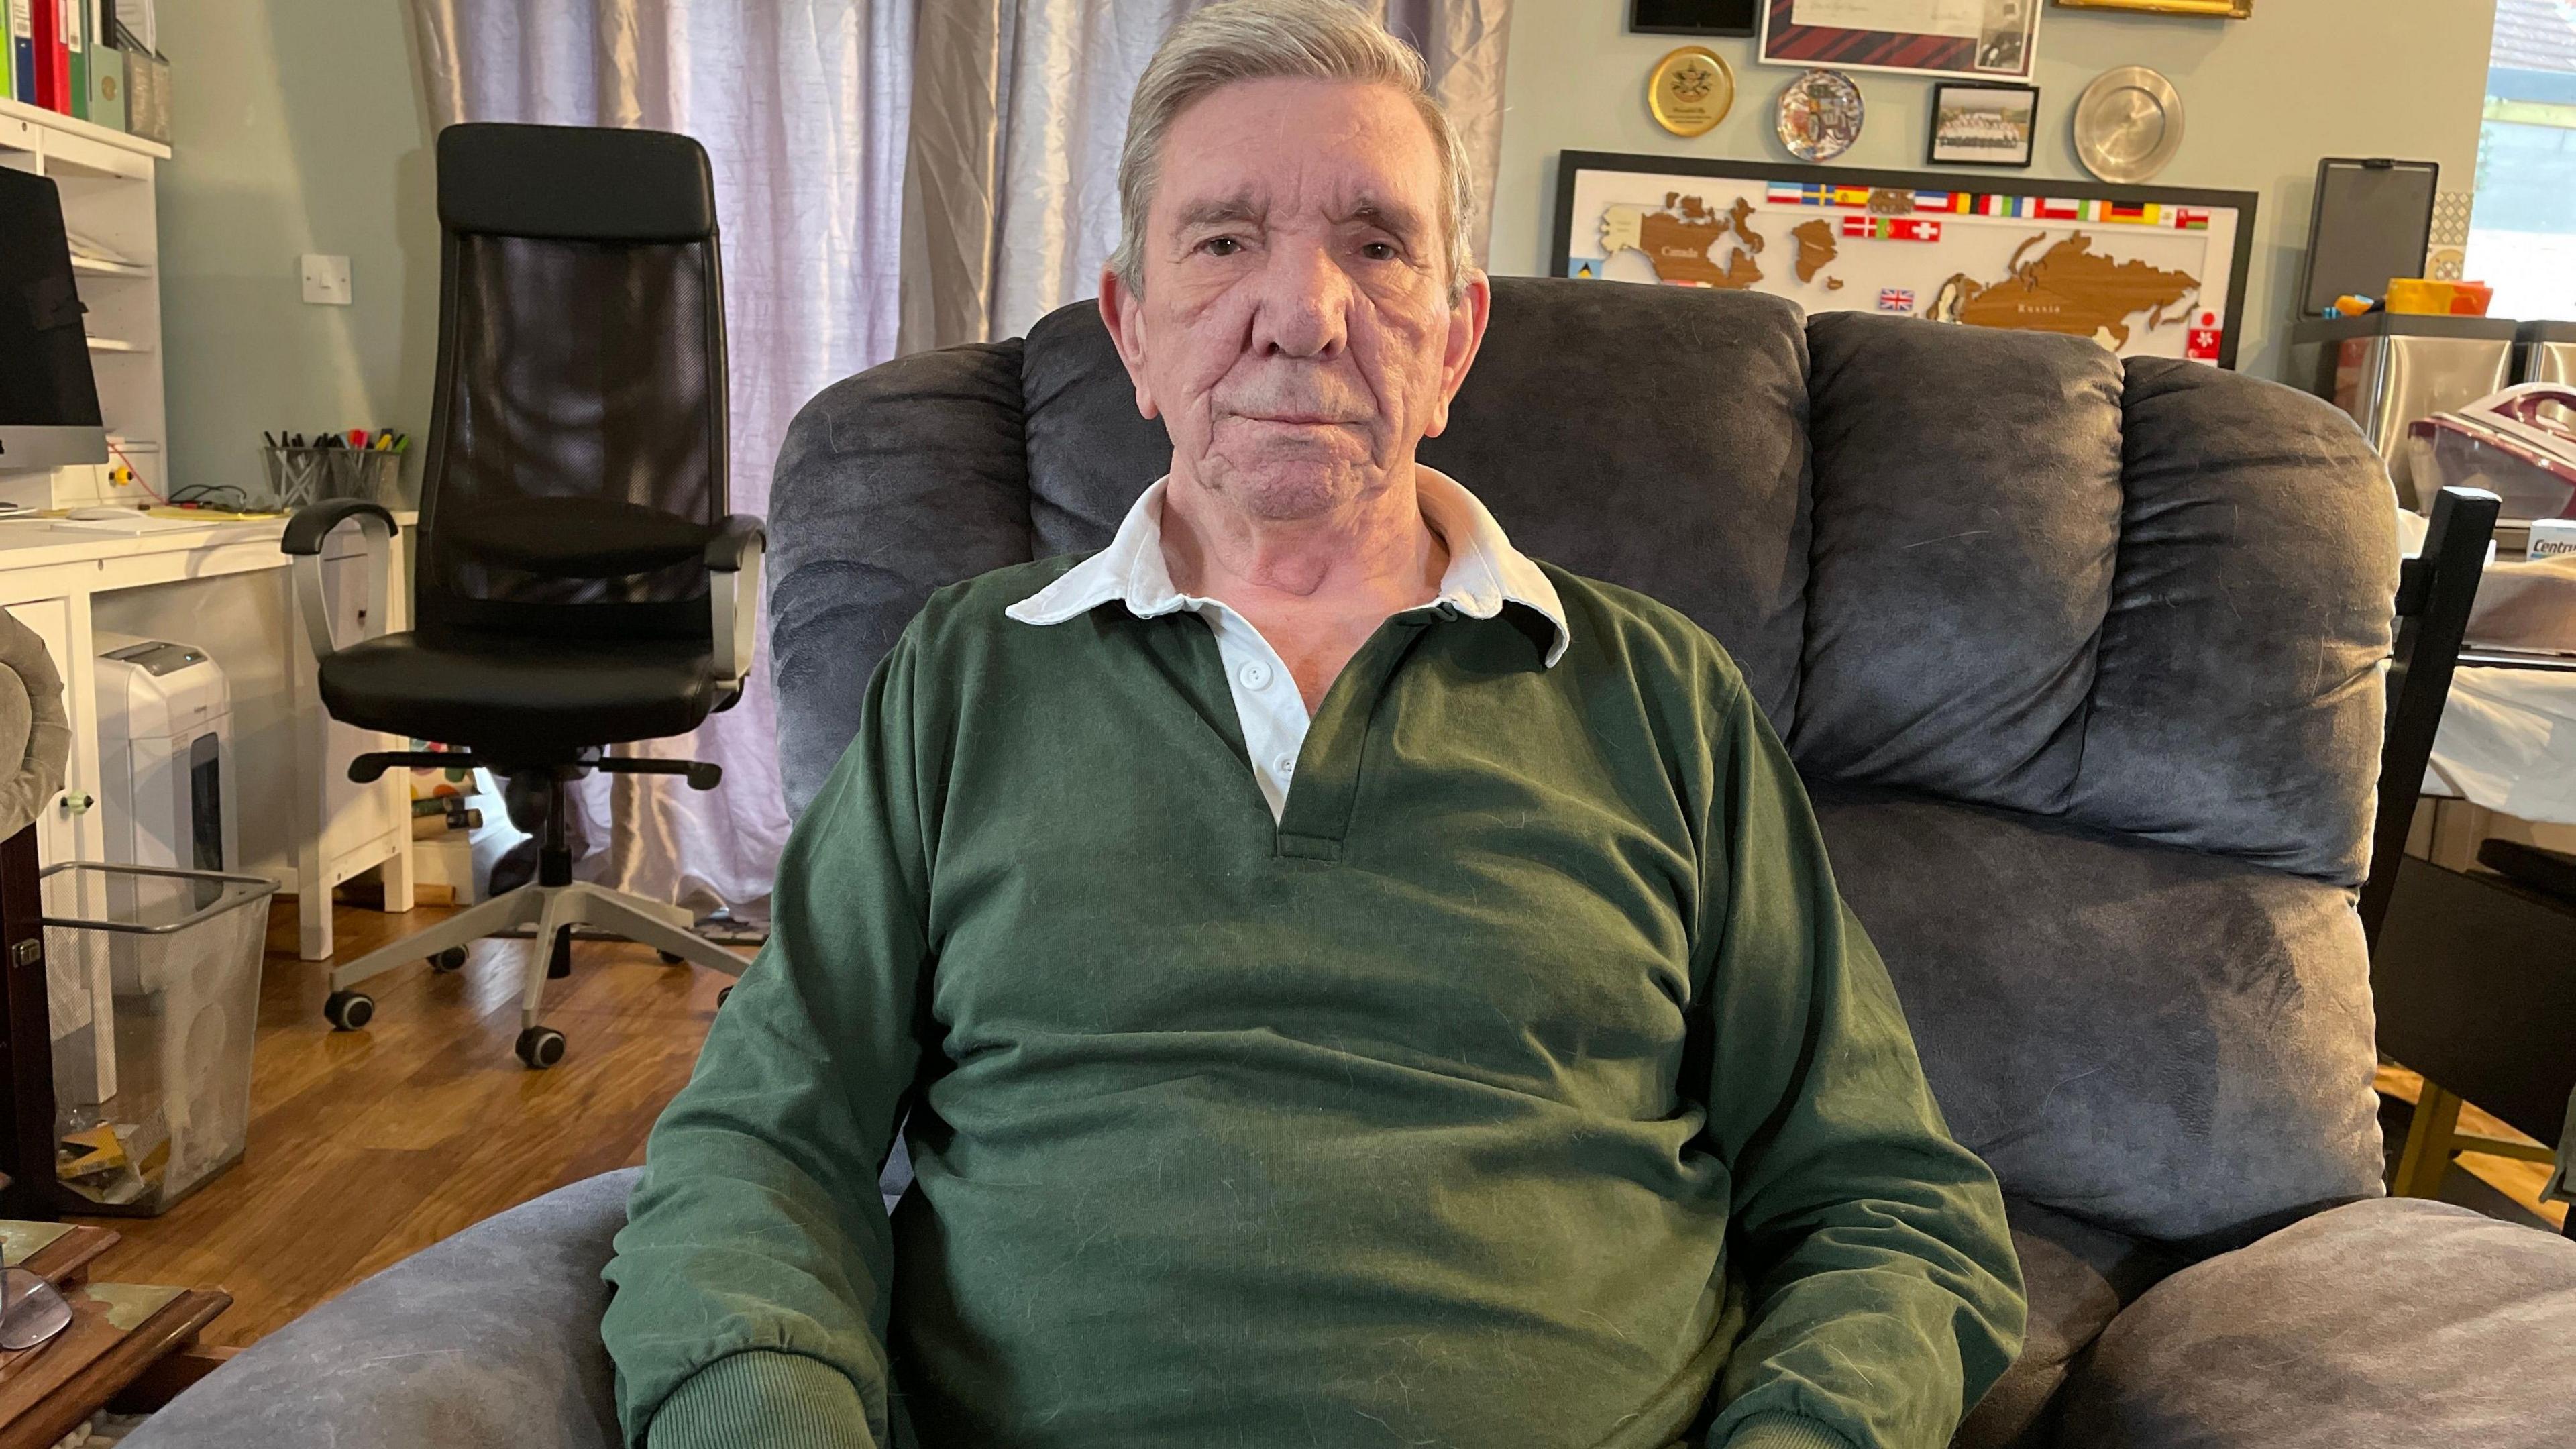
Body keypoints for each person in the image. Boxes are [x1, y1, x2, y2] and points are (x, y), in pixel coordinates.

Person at [601, 3, 2025, 1446]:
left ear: (1456, 340)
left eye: (1377, 244)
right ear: (1133, 330)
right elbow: (762, 1146)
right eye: (1222, 242)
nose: (1301, 311)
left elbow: (1888, 1204)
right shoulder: (964, 681)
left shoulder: (1663, 700)